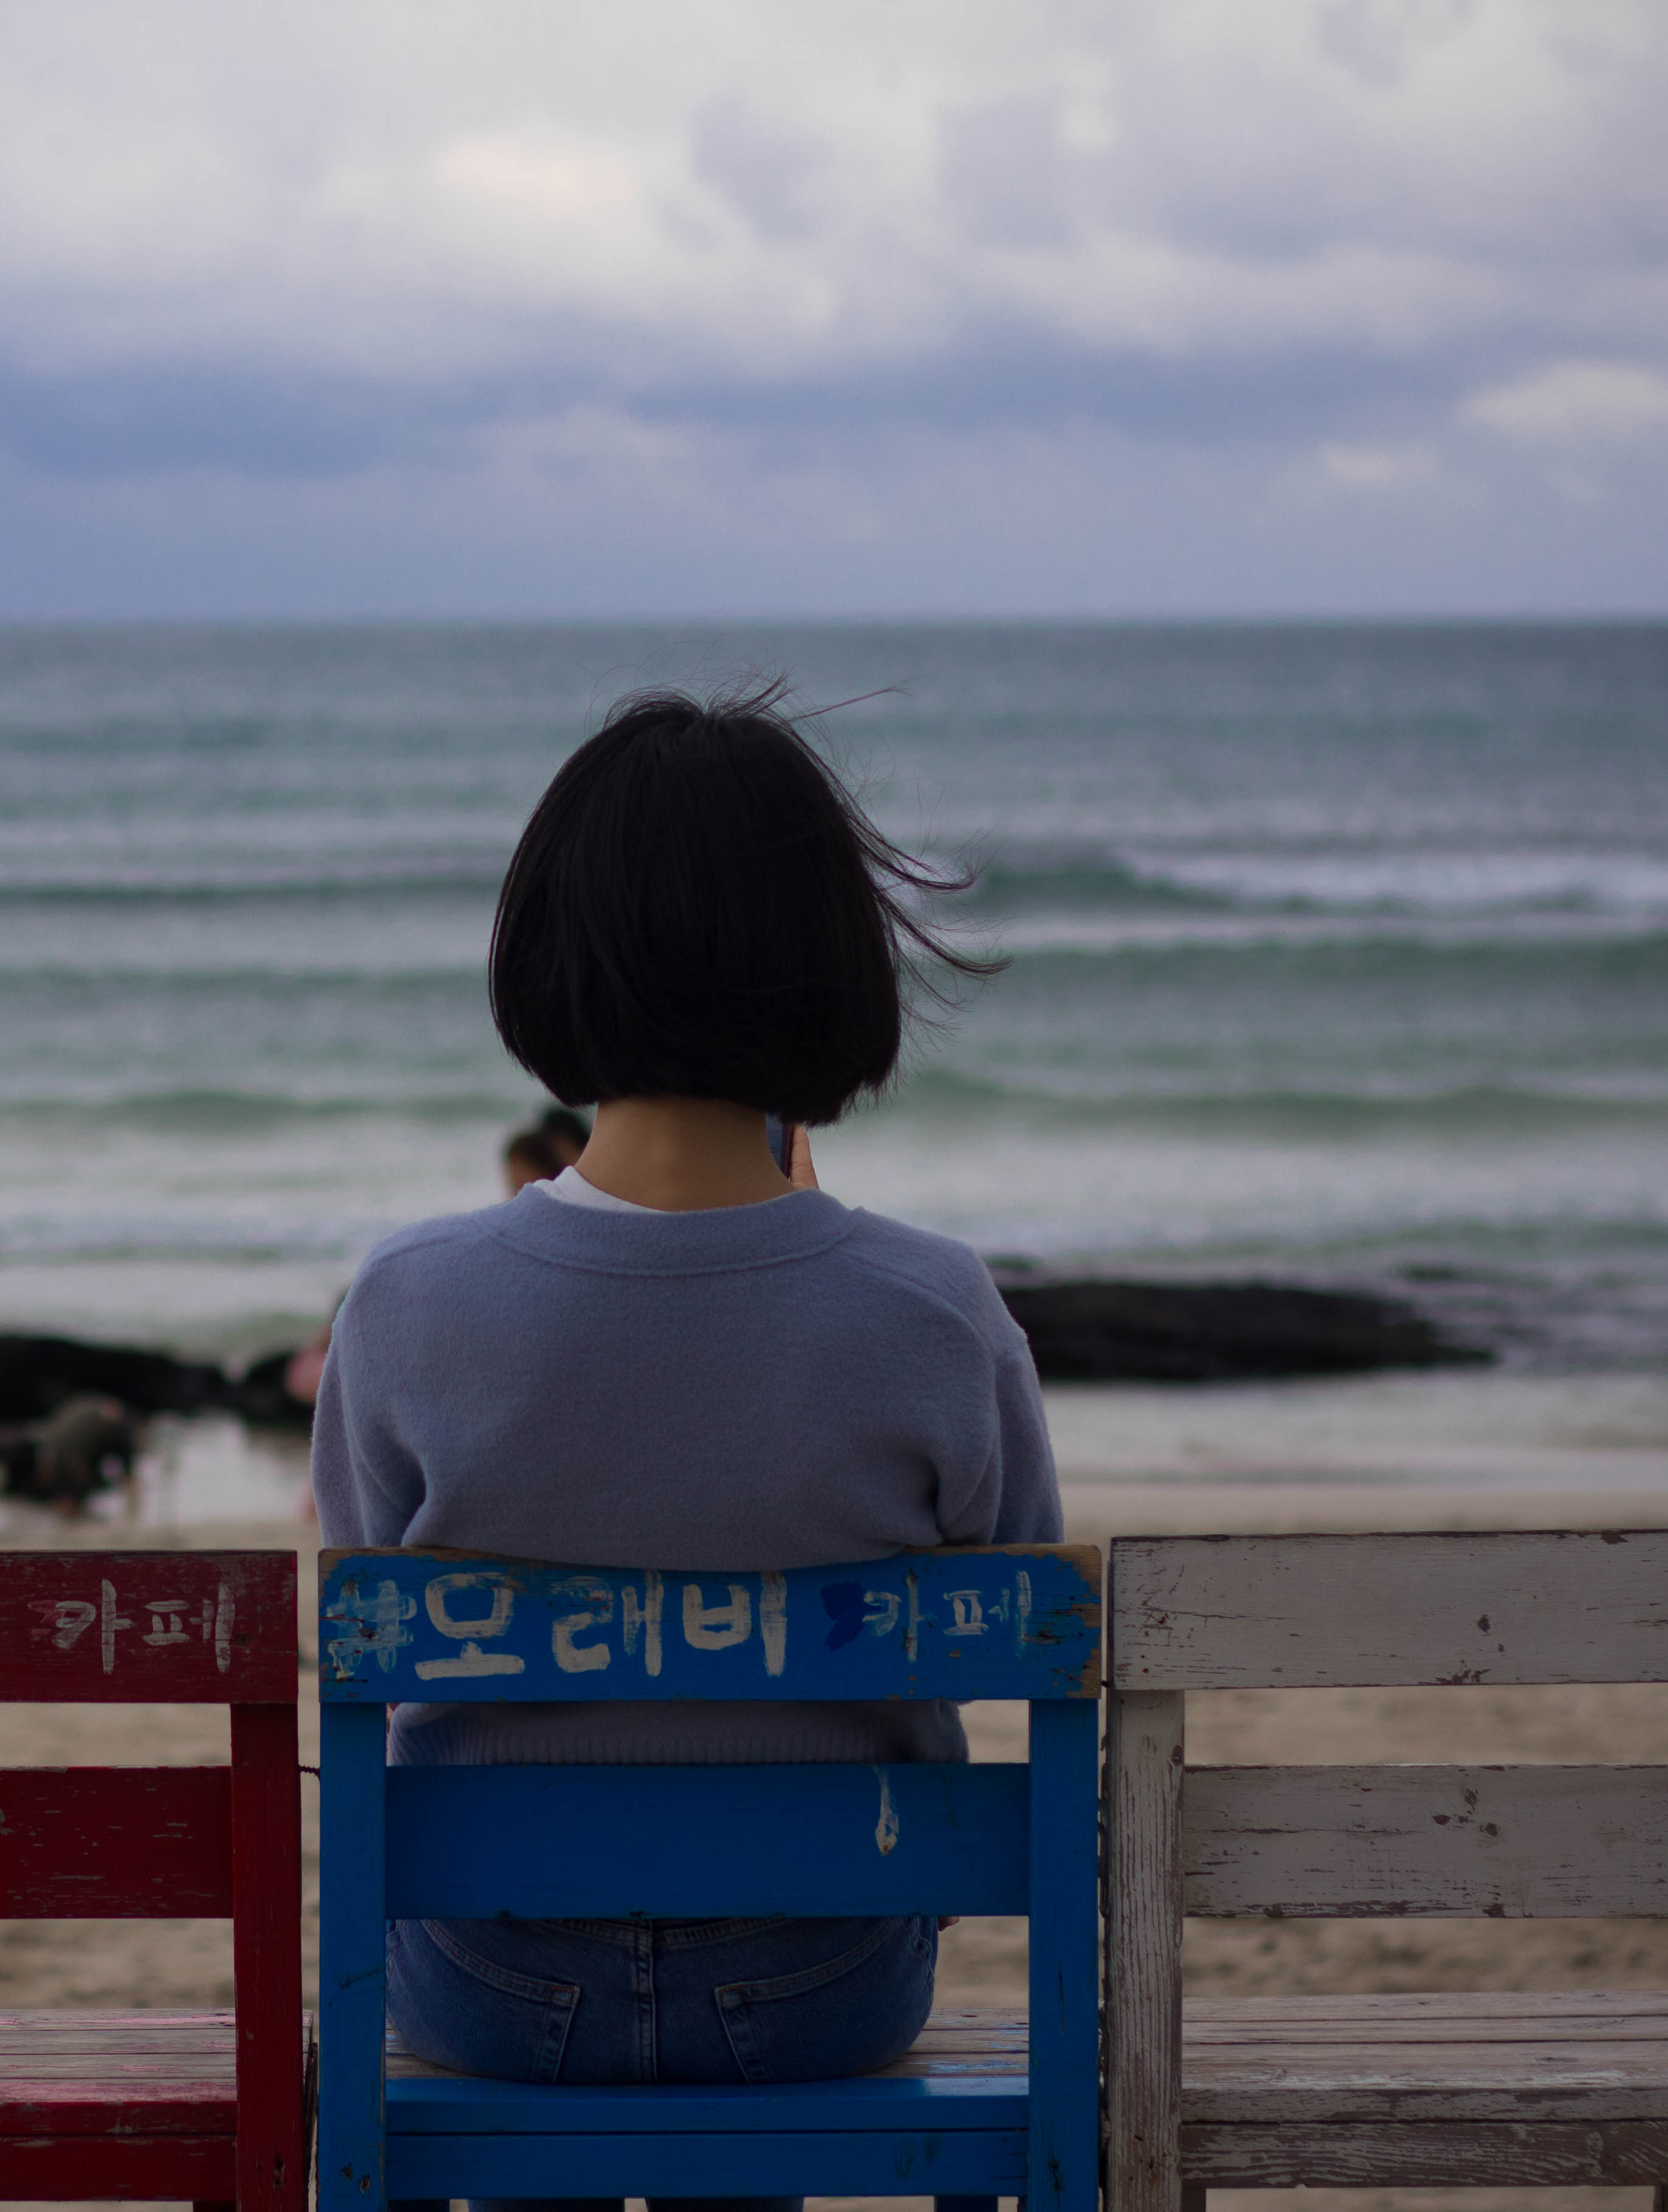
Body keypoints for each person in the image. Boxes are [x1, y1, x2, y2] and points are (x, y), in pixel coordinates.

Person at [311, 685, 1049, 2206]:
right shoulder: (928, 1304)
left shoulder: (405, 1299)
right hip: (823, 1975)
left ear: (549, 958)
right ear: (831, 966)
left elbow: (363, 1626)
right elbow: (1008, 1616)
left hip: (489, 1977)